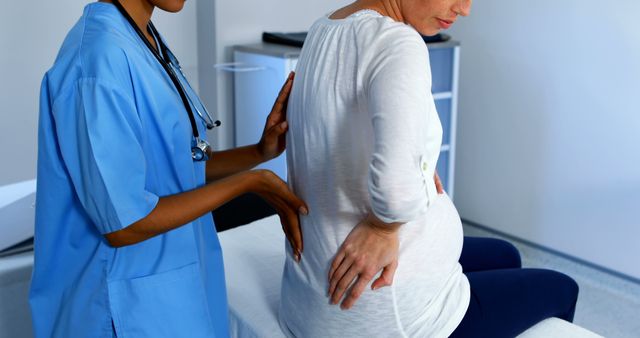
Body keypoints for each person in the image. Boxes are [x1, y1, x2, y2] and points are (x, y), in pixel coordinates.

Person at [280, 0, 579, 337]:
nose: (464, 9)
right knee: (562, 287)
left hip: (311, 294)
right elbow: (395, 194)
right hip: (380, 311)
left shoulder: (326, 27)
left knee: (504, 254)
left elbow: (342, 137)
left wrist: (417, 169)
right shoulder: (397, 44)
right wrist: (382, 228)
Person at [29, 0, 308, 337]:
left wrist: (259, 152)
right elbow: (125, 224)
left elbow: (178, 168)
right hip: (123, 308)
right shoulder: (96, 62)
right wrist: (250, 183)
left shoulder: (142, 38)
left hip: (176, 290)